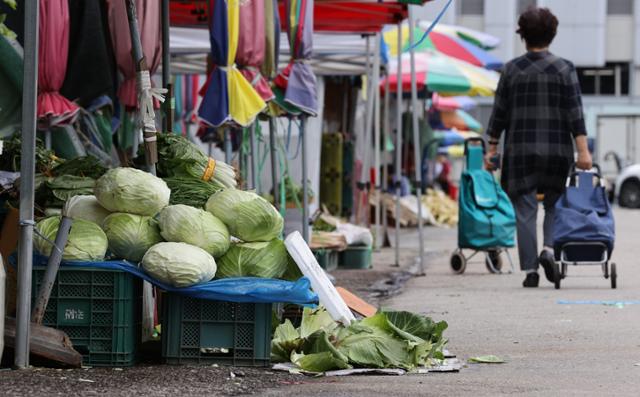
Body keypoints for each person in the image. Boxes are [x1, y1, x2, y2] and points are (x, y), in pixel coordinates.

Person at [485, 7, 592, 288]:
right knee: (555, 204)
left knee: (525, 209)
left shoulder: (511, 70)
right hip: (557, 150)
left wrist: (491, 149)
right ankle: (549, 249)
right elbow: (575, 113)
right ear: (552, 34)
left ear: (522, 35)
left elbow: (499, 114)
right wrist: (583, 151)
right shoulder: (564, 68)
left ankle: (531, 271)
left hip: (520, 151)